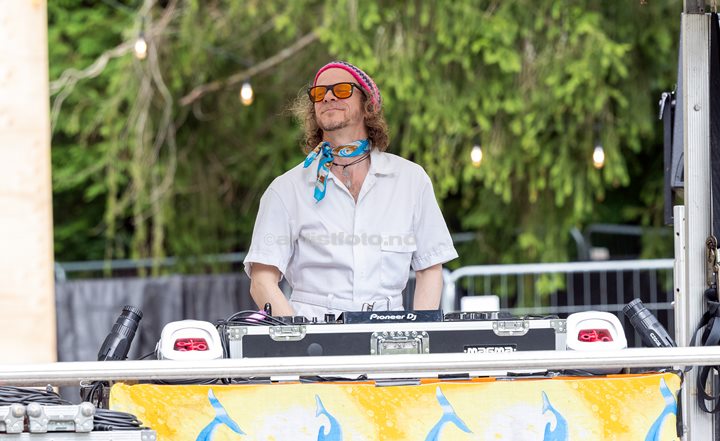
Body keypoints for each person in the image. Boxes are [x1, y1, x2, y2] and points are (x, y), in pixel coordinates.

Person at [243, 61, 457, 319]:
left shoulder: (411, 180)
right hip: (315, 332)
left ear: (368, 106)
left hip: (390, 332)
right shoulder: (285, 190)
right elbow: (262, 281)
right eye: (319, 93)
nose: (328, 97)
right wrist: (300, 337)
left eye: (342, 89)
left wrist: (419, 335)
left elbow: (430, 268)